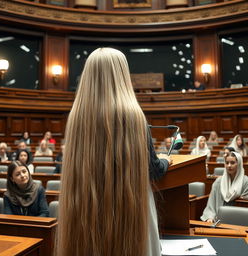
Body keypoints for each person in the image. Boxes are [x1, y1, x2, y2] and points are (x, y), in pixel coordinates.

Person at [56, 48, 172, 256]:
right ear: (121, 75)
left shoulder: (76, 117)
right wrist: (165, 160)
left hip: (86, 204)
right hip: (130, 206)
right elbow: (153, 170)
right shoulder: (134, 116)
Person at [201, 152, 248, 223]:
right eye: (227, 163)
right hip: (217, 219)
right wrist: (210, 217)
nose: (229, 165)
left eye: (232, 163)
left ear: (238, 164)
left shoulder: (245, 181)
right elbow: (211, 204)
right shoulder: (218, 181)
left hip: (238, 221)